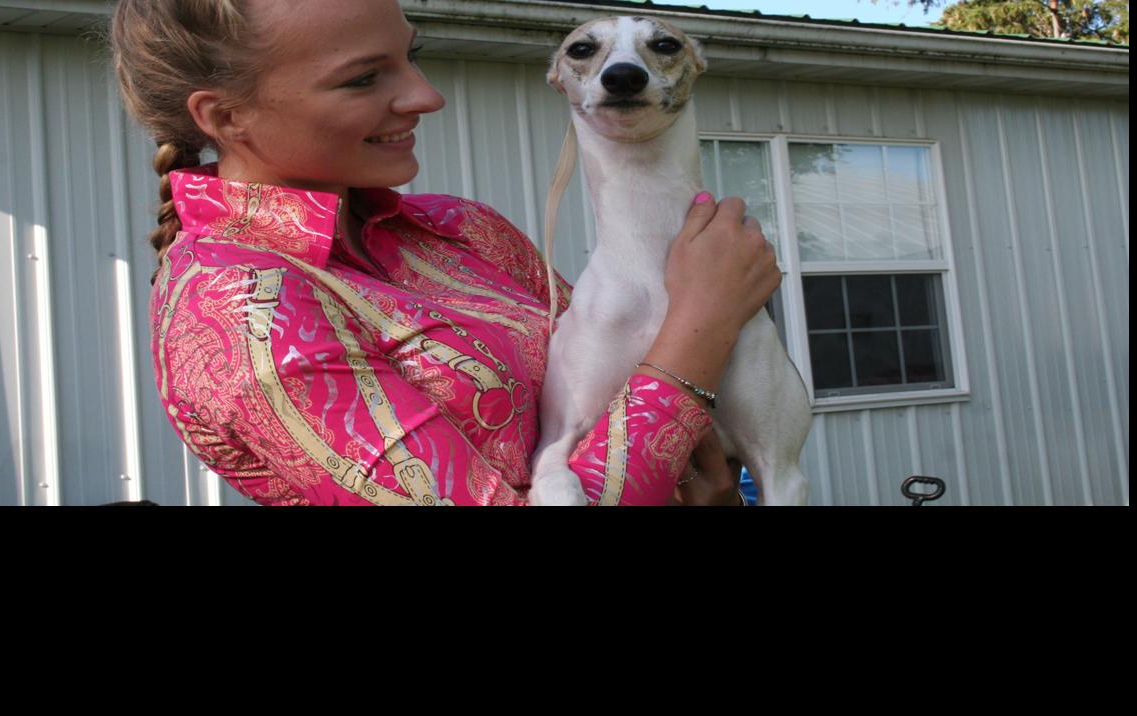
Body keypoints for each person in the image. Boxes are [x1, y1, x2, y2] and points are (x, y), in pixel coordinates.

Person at [108, 0, 780, 505]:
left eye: (411, 55)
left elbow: (621, 399)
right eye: (364, 79)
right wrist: (704, 326)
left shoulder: (461, 230)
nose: (427, 96)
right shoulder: (240, 315)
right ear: (225, 118)